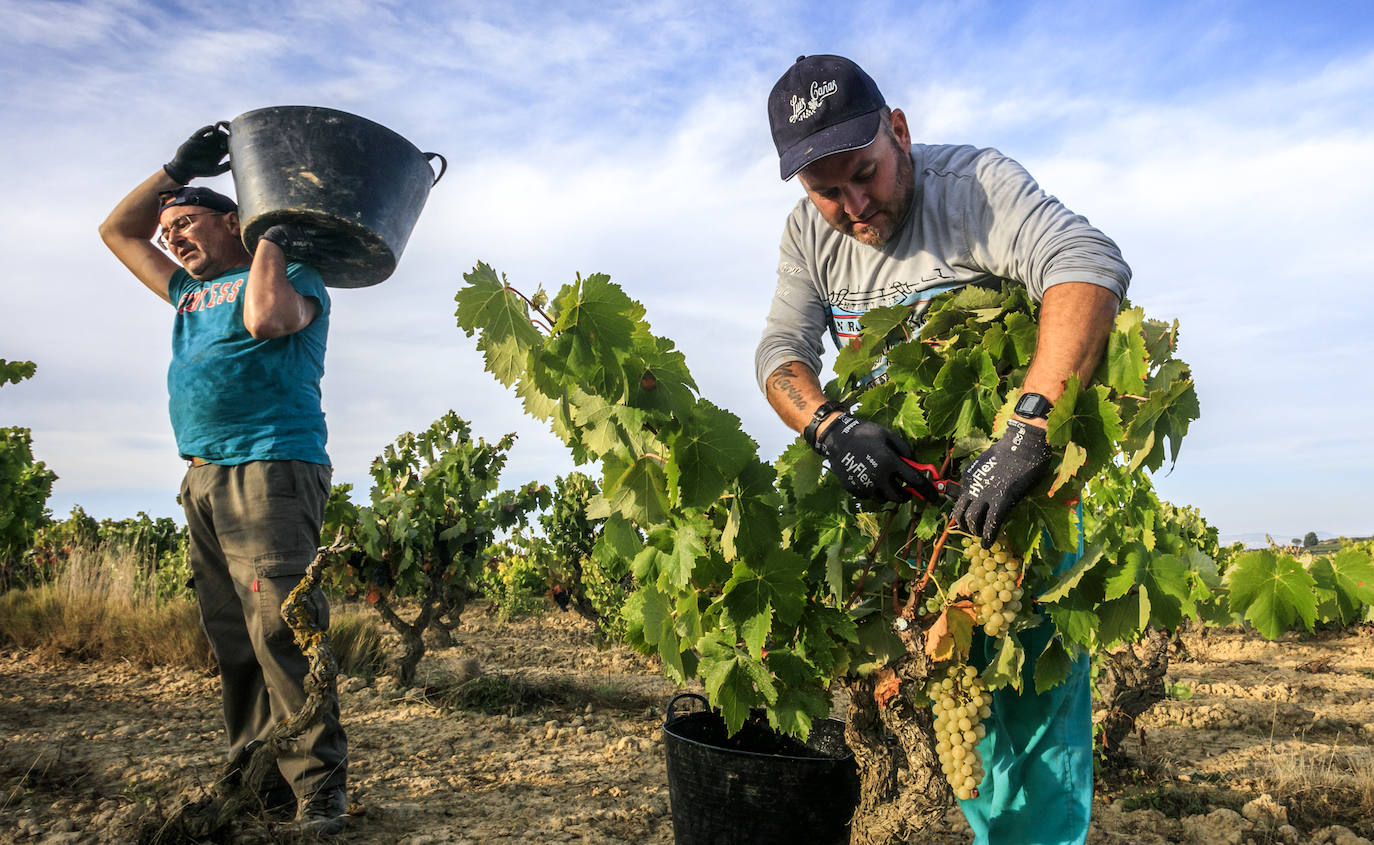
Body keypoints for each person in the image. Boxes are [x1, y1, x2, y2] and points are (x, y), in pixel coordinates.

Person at [757, 55, 1130, 844]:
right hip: (913, 527)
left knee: (1029, 723)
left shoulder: (976, 187)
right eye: (829, 191)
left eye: (865, 173)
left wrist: (1028, 427)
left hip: (1017, 504)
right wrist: (827, 426)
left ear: (899, 131)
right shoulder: (807, 235)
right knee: (940, 708)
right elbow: (780, 355)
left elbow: (1087, 265)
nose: (854, 204)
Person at [98, 125, 348, 835]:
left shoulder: (292, 277)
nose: (172, 237)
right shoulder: (184, 291)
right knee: (233, 639)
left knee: (282, 631)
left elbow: (269, 320)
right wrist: (173, 169)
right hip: (204, 477)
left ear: (233, 221)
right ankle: (256, 779)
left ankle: (320, 790)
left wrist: (273, 225)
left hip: (270, 467)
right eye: (168, 227)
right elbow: (118, 231)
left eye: (187, 222)